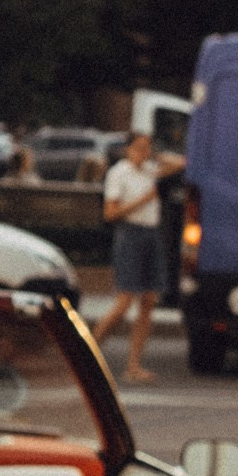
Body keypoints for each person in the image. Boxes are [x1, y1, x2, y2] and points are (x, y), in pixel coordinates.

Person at [94, 131, 179, 383]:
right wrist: (143, 201)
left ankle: (133, 366)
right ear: (128, 149)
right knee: (124, 302)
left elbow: (180, 164)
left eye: (147, 148)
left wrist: (155, 156)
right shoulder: (119, 174)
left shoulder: (149, 170)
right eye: (138, 148)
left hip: (151, 234)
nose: (143, 153)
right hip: (130, 234)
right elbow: (110, 213)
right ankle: (90, 351)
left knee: (149, 300)